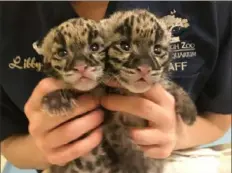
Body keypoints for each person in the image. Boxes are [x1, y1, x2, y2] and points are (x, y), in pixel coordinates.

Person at [0, 1, 231, 172]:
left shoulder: (217, 7)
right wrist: (43, 148)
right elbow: (8, 141)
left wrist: (177, 133)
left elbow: (218, 120)